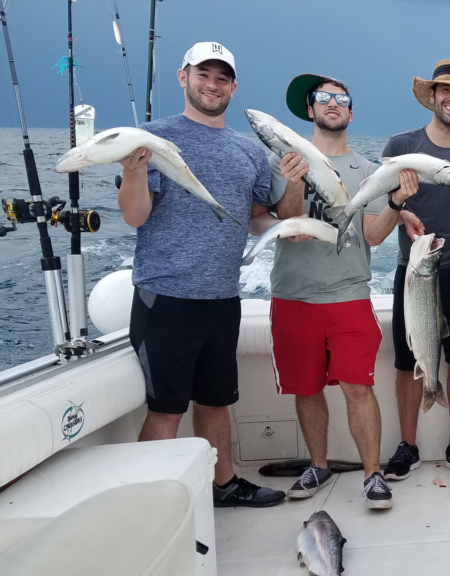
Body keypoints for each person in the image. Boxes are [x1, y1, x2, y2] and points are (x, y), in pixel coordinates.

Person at [118, 42, 285, 507]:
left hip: (221, 298)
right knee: (167, 408)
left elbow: (255, 217)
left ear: (233, 86)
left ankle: (223, 484)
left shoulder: (249, 152)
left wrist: (288, 230)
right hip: (166, 298)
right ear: (182, 76)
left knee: (216, 401)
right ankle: (145, 506)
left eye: (221, 77)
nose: (212, 85)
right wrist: (133, 174)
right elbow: (135, 216)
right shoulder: (149, 137)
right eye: (203, 74)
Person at [248, 74, 414, 509]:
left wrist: (396, 205)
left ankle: (373, 474)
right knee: (306, 389)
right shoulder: (279, 162)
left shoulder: (367, 170)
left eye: (341, 98)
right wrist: (296, 185)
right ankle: (318, 464)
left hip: (349, 295)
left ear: (351, 112)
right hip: (294, 294)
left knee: (358, 387)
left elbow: (373, 236)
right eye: (324, 98)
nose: (333, 103)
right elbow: (277, 222)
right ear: (310, 109)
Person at [377, 59, 450, 480]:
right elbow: (381, 211)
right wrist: (399, 210)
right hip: (412, 272)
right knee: (409, 360)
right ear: (432, 96)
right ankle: (407, 445)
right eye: (446, 91)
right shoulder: (399, 147)